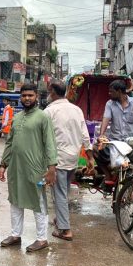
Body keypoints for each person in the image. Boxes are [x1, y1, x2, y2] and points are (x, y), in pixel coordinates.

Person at [0, 83, 58, 253]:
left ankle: (41, 238)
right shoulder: (16, 118)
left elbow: (50, 144)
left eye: (30, 95)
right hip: (16, 169)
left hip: (35, 169)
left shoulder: (43, 117)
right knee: (15, 201)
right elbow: (9, 144)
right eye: (24, 95)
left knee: (38, 202)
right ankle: (15, 235)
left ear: (36, 97)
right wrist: (3, 164)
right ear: (20, 97)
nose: (27, 98)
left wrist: (52, 168)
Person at [43, 80, 94, 242]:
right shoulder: (76, 109)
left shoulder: (49, 111)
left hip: (57, 159)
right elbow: (85, 134)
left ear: (52, 92)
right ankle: (61, 218)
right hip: (73, 158)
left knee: (59, 194)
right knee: (63, 192)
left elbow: (42, 137)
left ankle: (65, 230)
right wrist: (90, 158)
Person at [94, 80, 133, 177]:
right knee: (95, 149)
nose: (109, 94)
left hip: (129, 144)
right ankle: (108, 175)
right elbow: (106, 119)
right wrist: (101, 135)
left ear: (119, 91)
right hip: (114, 143)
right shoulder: (110, 103)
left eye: (111, 92)